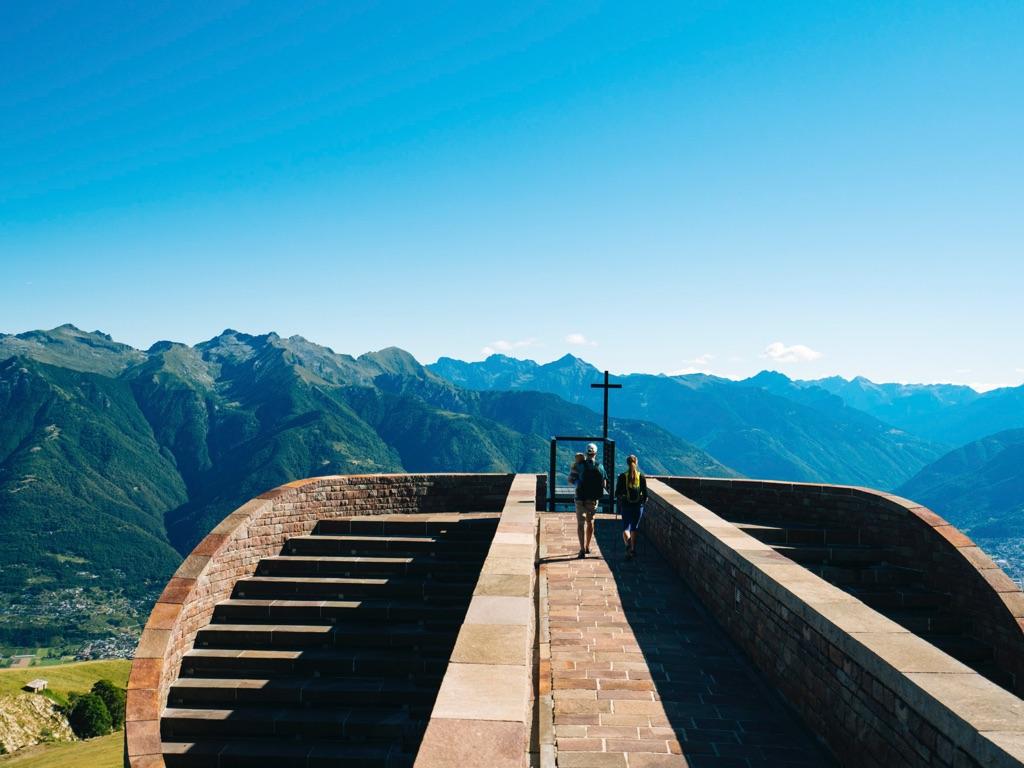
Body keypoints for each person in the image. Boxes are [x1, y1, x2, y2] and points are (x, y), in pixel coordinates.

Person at [574, 443, 606, 558]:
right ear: (595, 453)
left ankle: (582, 549)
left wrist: (579, 484)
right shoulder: (600, 466)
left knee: (580, 524)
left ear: (586, 453)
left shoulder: (579, 465)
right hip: (593, 499)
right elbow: (604, 484)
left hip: (580, 498)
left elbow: (571, 479)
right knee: (590, 522)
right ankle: (587, 546)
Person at [615, 454, 647, 559]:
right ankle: (633, 549)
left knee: (626, 527)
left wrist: (621, 498)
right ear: (636, 462)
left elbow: (617, 493)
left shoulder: (623, 476)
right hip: (638, 506)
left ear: (627, 463)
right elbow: (645, 494)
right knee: (634, 528)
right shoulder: (641, 476)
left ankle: (627, 545)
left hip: (626, 505)